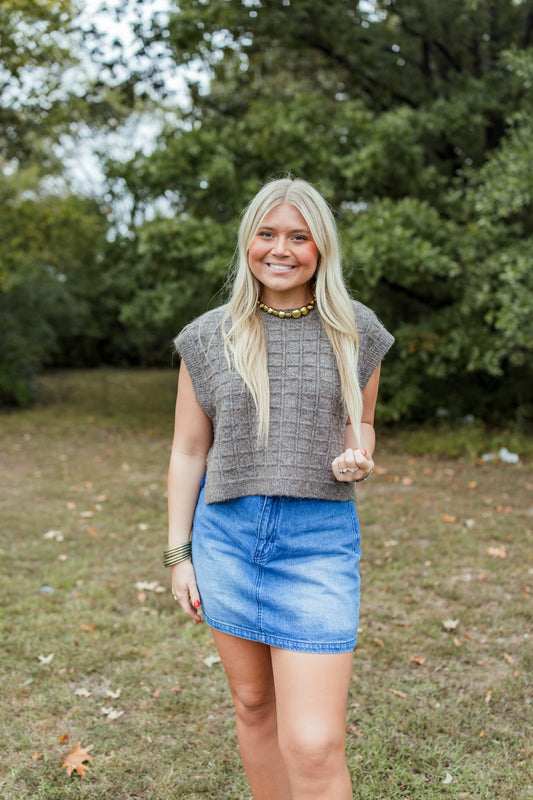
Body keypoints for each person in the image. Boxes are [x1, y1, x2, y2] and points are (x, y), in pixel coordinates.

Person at [166, 176, 394, 800]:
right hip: (227, 541)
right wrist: (178, 552)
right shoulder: (208, 337)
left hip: (316, 544)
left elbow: (362, 424)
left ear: (321, 247)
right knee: (252, 705)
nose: (281, 249)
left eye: (299, 236)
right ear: (248, 244)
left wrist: (359, 455)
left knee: (315, 743)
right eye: (267, 234)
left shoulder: (356, 331)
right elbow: (189, 451)